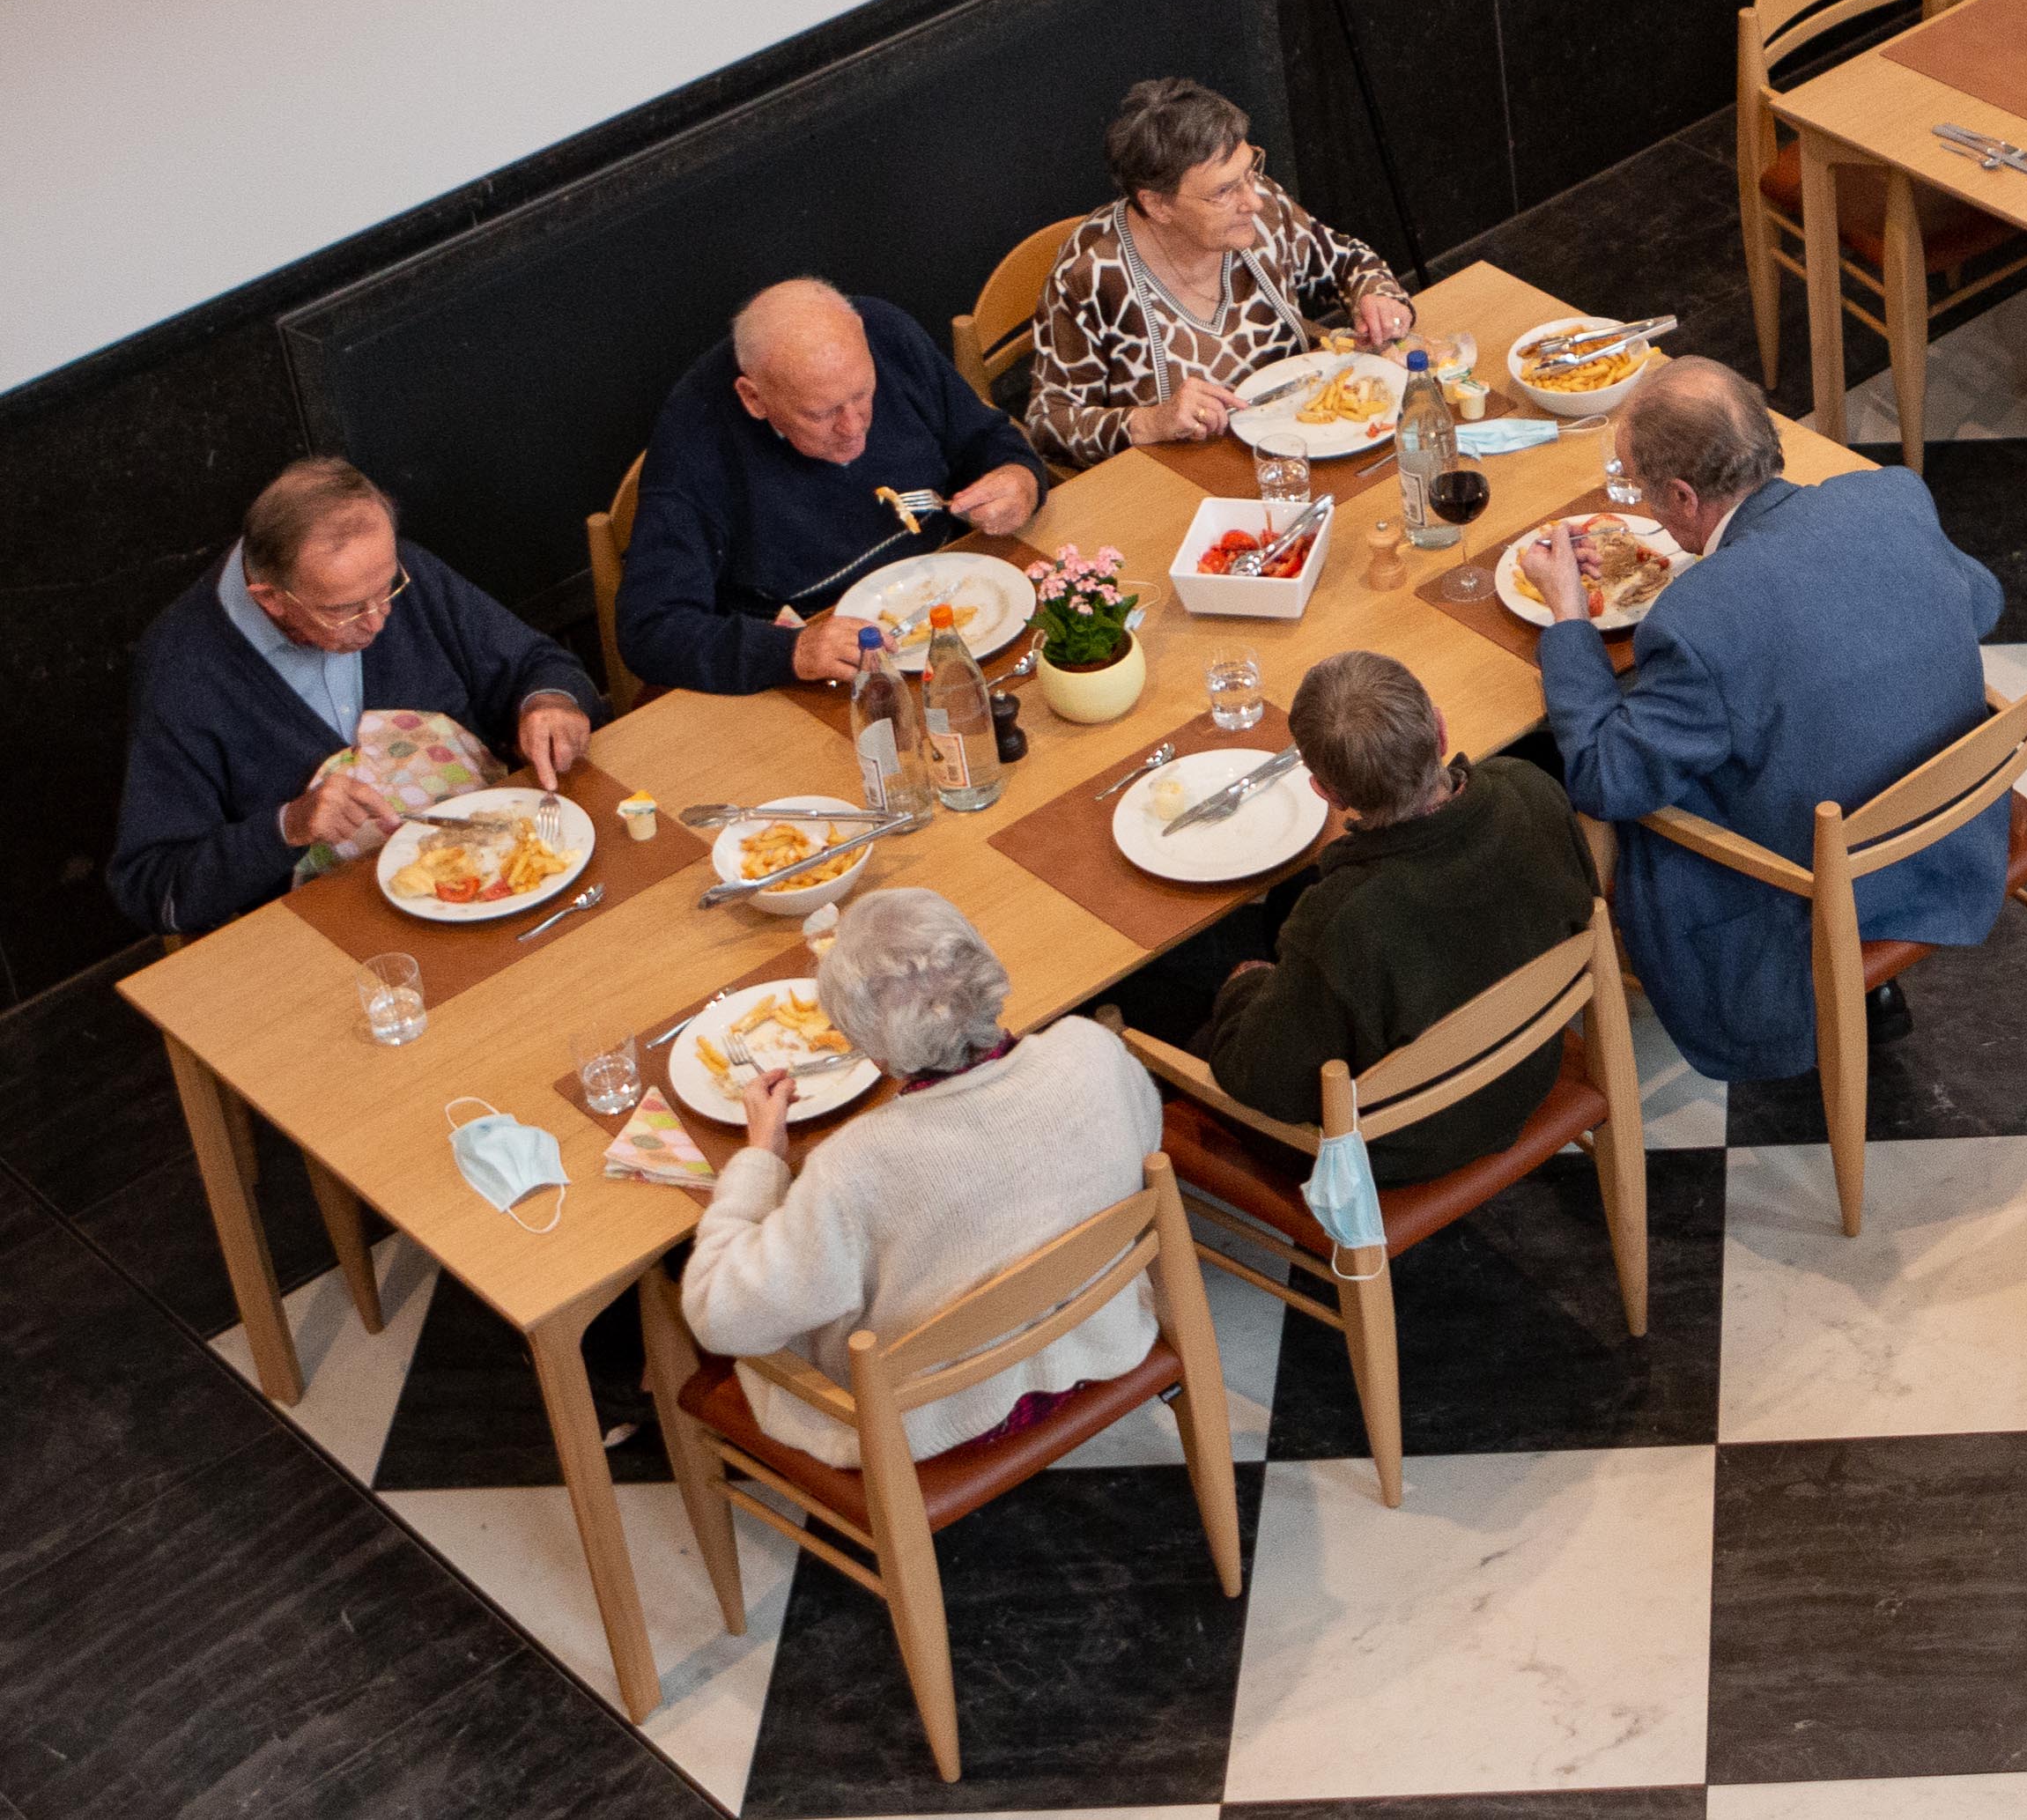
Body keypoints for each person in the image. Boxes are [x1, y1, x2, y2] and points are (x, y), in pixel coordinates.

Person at [1517, 358, 2007, 1083]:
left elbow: (1601, 774)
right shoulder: (1894, 496)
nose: (1645, 509)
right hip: (1957, 840)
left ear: (1683, 494)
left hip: (1818, 894)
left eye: (1644, 491)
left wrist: (1567, 614)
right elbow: (1982, 602)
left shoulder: (1694, 621)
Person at [681, 888, 1164, 1465]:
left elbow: (717, 1312)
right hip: (1099, 1338)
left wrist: (760, 1157)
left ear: (873, 1050)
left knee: (676, 1286)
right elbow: (1141, 1146)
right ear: (984, 967)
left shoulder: (854, 1165)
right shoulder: (1093, 1050)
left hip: (941, 1421)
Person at [113, 458, 597, 937]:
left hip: (502, 872)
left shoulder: (384, 574)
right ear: (270, 598)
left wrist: (549, 704)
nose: (378, 619)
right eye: (345, 611)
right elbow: (155, 888)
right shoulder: (183, 673)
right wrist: (288, 827)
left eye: (388, 588)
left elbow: (538, 665)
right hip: (335, 938)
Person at [1181, 653, 1600, 1184]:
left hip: (1401, 1149)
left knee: (1178, 1010)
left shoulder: (1342, 924)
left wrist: (1243, 989)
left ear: (1326, 793)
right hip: (1529, 1071)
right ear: (1440, 731)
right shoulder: (1530, 787)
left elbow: (1264, 1084)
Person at [619, 277, 1046, 699]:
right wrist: (791, 651)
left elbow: (987, 441)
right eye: (821, 414)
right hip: (813, 674)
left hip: (961, 606)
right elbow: (651, 629)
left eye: (862, 394)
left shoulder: (887, 333)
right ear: (754, 398)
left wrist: (1020, 478)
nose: (854, 426)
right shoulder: (695, 440)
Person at [1025, 78, 1418, 463]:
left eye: (1250, 171)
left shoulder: (1259, 204)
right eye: (1223, 191)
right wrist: (1148, 421)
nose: (1253, 200)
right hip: (1175, 483)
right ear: (1158, 205)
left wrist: (1375, 295)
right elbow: (1050, 422)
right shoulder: (1090, 274)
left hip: (1304, 444)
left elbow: (1346, 260)